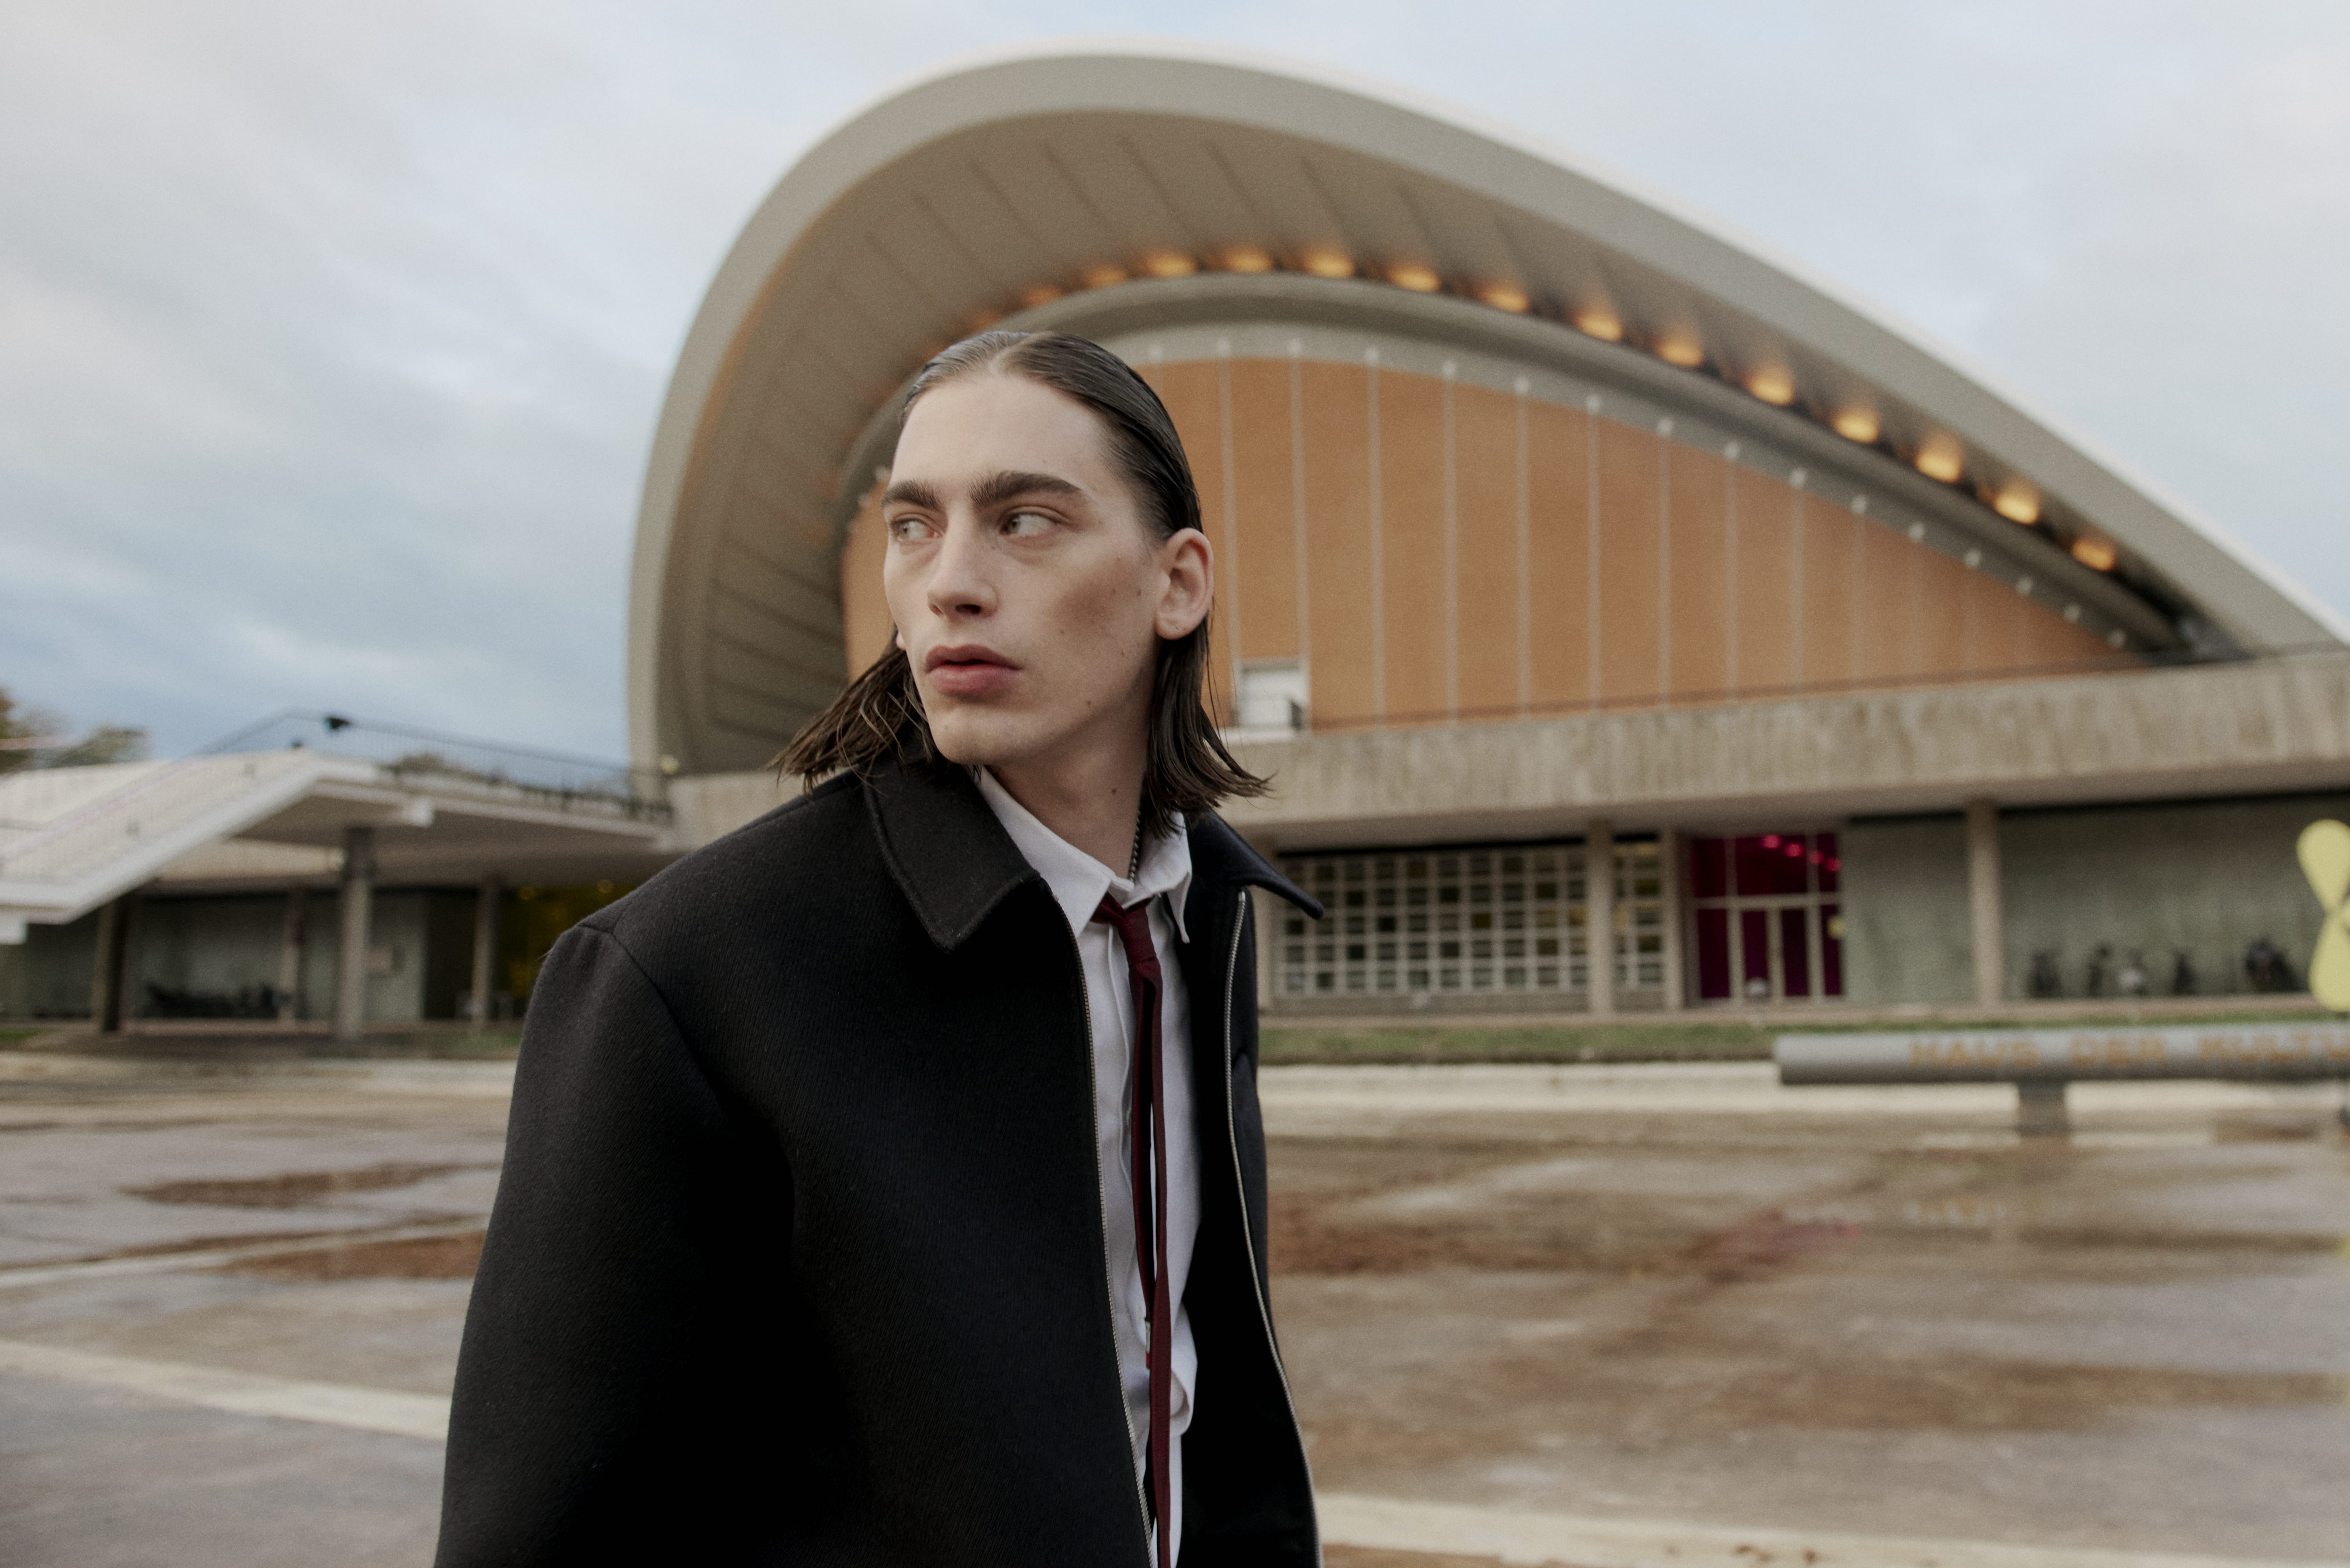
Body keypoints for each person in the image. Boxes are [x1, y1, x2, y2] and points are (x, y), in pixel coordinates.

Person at [434, 331, 1323, 1567]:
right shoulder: (685, 975)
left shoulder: (1195, 919)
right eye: (914, 525)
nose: (950, 581)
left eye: (1024, 521)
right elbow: (545, 1534)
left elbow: (1178, 1381)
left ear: (1178, 584)